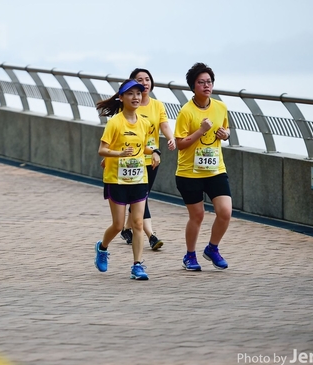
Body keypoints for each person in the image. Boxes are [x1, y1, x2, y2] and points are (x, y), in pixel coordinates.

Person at [94, 79, 161, 280]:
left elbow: (143, 146)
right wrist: (119, 154)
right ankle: (102, 247)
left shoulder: (145, 123)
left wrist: (154, 152)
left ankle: (137, 265)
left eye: (138, 94)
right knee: (118, 225)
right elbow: (102, 150)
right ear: (121, 98)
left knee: (138, 223)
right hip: (116, 179)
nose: (135, 97)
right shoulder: (114, 123)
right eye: (130, 94)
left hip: (139, 178)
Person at [168, 62, 232, 271]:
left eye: (209, 82)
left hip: (215, 170)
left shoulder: (220, 107)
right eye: (201, 82)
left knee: (225, 212)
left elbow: (226, 129)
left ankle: (212, 248)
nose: (206, 86)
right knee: (197, 215)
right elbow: (180, 144)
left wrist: (225, 134)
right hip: (190, 173)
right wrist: (201, 131)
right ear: (193, 86)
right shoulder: (186, 112)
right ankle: (190, 255)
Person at [119, 68, 175, 251]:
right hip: (133, 158)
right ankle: (151, 236)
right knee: (142, 196)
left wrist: (171, 138)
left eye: (147, 79)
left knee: (141, 196)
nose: (144, 83)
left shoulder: (157, 105)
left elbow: (164, 125)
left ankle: (127, 228)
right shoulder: (128, 105)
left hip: (153, 156)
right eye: (140, 79)